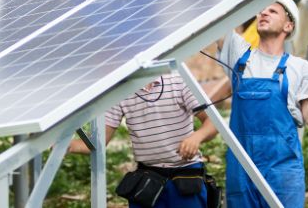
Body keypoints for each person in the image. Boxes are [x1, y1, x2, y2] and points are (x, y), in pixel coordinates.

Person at [208, 0, 308, 207]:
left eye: (273, 11)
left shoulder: (299, 67)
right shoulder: (238, 55)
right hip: (242, 168)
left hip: (282, 172)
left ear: (289, 25)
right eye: (261, 10)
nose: (263, 13)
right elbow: (217, 14)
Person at [68, 73, 219, 208]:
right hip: (148, 178)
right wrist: (66, 146)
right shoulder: (120, 92)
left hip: (186, 174)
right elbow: (96, 144)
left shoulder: (179, 81)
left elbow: (213, 123)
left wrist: (196, 137)